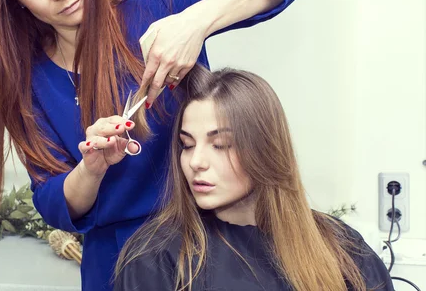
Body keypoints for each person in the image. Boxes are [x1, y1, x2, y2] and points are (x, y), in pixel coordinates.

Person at [0, 0, 307, 291]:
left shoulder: (155, 5)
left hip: (208, 250)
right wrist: (91, 167)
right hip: (115, 265)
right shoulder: (27, 79)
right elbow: (53, 202)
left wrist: (193, 23)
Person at [114, 67, 394, 291]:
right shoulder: (155, 256)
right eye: (187, 144)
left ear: (266, 149)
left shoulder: (340, 245)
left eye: (221, 145)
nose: (196, 162)